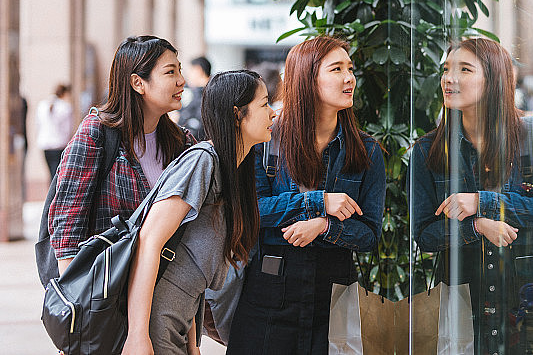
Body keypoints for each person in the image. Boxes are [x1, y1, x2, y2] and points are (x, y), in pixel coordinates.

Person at [226, 36, 387, 355]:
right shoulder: (266, 140)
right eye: (336, 69)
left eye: (350, 69)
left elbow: (370, 235)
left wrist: (325, 227)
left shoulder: (365, 151)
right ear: (307, 79)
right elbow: (250, 212)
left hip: (335, 295)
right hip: (269, 294)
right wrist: (318, 203)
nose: (349, 78)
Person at [410, 38, 533, 355]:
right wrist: (477, 227)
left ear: (494, 80)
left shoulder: (532, 137)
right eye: (447, 69)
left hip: (525, 304)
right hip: (461, 304)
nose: (450, 78)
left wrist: (481, 201)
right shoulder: (428, 151)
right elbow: (425, 235)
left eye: (464, 69)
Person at [122, 70, 275, 355]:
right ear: (237, 114)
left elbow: (190, 266)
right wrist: (137, 335)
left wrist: (193, 345)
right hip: (156, 323)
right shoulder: (203, 161)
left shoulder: (234, 172)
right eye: (265, 104)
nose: (273, 113)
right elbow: (149, 242)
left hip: (178, 323)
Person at [49, 36, 195, 275]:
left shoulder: (183, 142)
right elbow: (67, 224)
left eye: (179, 70)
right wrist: (76, 299)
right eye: (170, 72)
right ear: (138, 83)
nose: (182, 81)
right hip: (106, 290)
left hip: (164, 288)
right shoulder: (97, 132)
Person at [36, 84, 74, 182]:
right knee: (57, 174)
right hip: (59, 145)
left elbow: (38, 125)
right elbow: (68, 129)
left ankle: (51, 195)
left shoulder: (42, 105)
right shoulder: (66, 107)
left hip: (45, 144)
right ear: (65, 93)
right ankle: (54, 196)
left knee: (51, 173)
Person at [179, 56, 212, 141]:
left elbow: (198, 126)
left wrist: (179, 118)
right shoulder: (195, 92)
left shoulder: (208, 95)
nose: (187, 76)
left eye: (190, 71)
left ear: (198, 70)